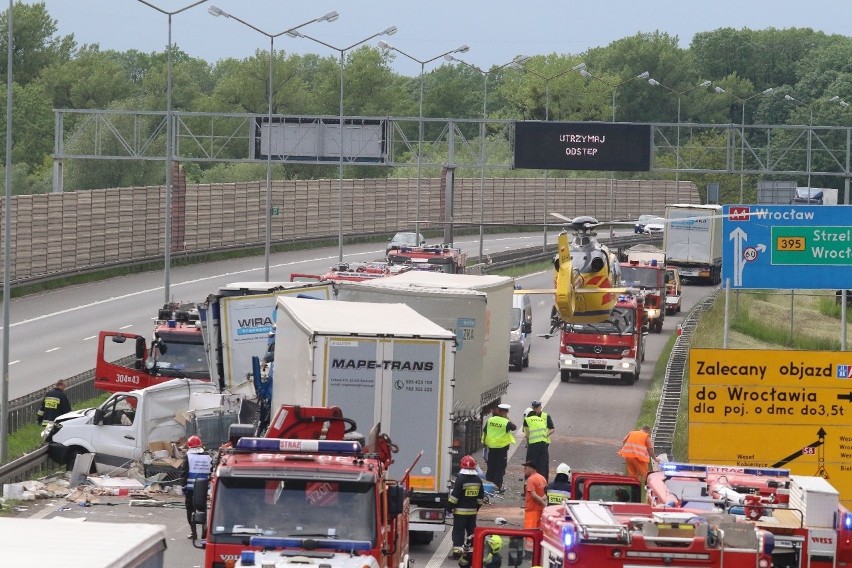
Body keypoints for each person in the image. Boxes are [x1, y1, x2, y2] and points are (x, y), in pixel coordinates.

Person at [447, 455, 485, 559]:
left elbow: (454, 497)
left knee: (458, 533)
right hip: (472, 513)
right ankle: (471, 554)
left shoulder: (460, 479)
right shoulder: (478, 479)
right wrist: (476, 508)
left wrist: (449, 508)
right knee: (472, 533)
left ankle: (457, 553)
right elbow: (480, 497)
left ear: (462, 466)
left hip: (460, 513)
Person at [181, 435, 213, 540]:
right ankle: (204, 530)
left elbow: (184, 473)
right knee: (202, 509)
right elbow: (211, 470)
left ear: (189, 446)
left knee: (190, 510)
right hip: (203, 488)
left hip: (190, 489)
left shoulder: (188, 457)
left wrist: (183, 486)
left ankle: (193, 532)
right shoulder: (208, 456)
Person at [481, 403, 517, 492]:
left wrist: (484, 443)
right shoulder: (506, 422)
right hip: (501, 449)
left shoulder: (490, 420)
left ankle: (488, 484)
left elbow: (485, 432)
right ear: (505, 413)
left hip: (491, 447)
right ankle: (497, 486)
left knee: (491, 466)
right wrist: (507, 419)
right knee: (500, 468)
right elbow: (514, 427)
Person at [522, 401, 555, 481]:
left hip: (542, 443)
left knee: (539, 465)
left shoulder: (545, 416)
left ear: (540, 408)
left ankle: (537, 484)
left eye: (537, 408)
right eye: (534, 408)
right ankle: (539, 484)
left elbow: (552, 429)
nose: (536, 409)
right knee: (540, 465)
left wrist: (546, 435)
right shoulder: (533, 418)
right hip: (540, 444)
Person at [523, 460, 547, 554]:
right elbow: (546, 494)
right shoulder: (542, 478)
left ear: (530, 468)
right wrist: (543, 503)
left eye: (525, 468)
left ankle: (529, 552)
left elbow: (533, 495)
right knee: (538, 530)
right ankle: (538, 550)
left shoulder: (530, 480)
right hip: (540, 510)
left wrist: (542, 503)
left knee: (529, 532)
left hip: (531, 510)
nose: (524, 471)